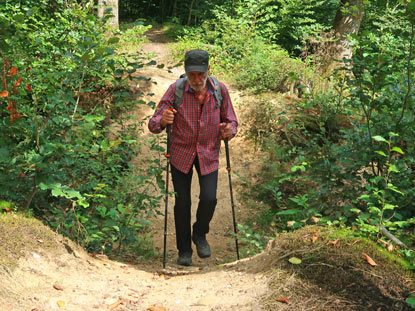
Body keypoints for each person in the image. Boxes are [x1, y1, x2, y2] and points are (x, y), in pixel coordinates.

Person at [148, 49, 238, 266]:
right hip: (181, 153)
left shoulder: (220, 90)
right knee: (182, 203)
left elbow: (232, 121)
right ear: (186, 72)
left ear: (208, 70)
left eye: (200, 74)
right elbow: (153, 123)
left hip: (208, 152)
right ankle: (184, 250)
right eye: (192, 75)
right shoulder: (176, 90)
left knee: (209, 198)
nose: (196, 79)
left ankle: (199, 233)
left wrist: (229, 130)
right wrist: (163, 120)